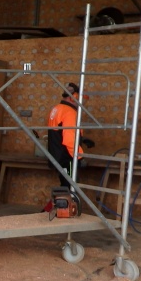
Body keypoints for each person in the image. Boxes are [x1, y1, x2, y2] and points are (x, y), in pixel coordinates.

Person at [44, 82, 94, 211]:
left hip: (57, 155)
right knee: (70, 187)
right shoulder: (70, 113)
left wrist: (82, 140)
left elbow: (61, 132)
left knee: (65, 185)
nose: (82, 104)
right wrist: (80, 157)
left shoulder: (57, 109)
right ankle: (57, 211)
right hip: (67, 157)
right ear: (73, 97)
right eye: (81, 100)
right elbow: (69, 140)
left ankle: (53, 210)